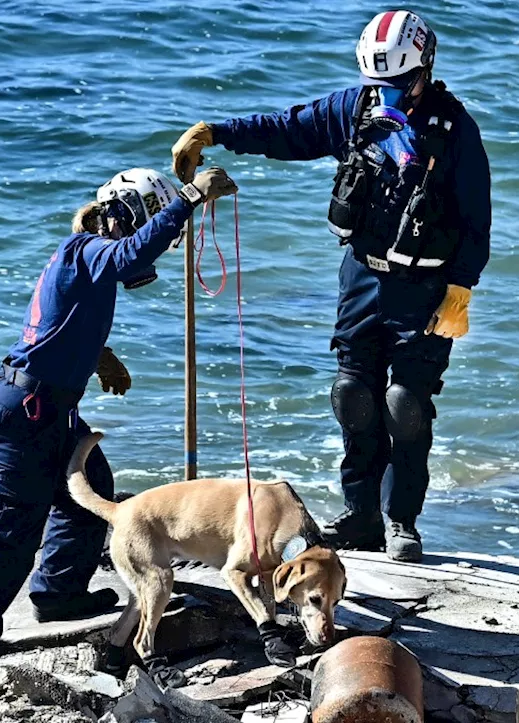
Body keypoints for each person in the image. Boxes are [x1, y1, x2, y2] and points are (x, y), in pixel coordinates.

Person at [170, 10, 490, 562]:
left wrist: (460, 291)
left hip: (428, 288)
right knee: (353, 397)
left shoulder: (456, 130)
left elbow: (477, 222)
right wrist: (216, 133)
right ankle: (362, 514)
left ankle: (401, 521)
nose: (387, 94)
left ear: (425, 69)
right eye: (378, 84)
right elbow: (287, 128)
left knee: (405, 404)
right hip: (363, 277)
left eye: (398, 84)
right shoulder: (354, 110)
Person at [0, 166, 239, 691]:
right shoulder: (90, 249)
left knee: (89, 491)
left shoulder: (84, 261)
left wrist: (100, 356)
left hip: (48, 408)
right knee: (12, 534)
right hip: (24, 413)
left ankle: (58, 592)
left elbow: (64, 318)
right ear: (127, 215)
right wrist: (190, 196)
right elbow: (130, 255)